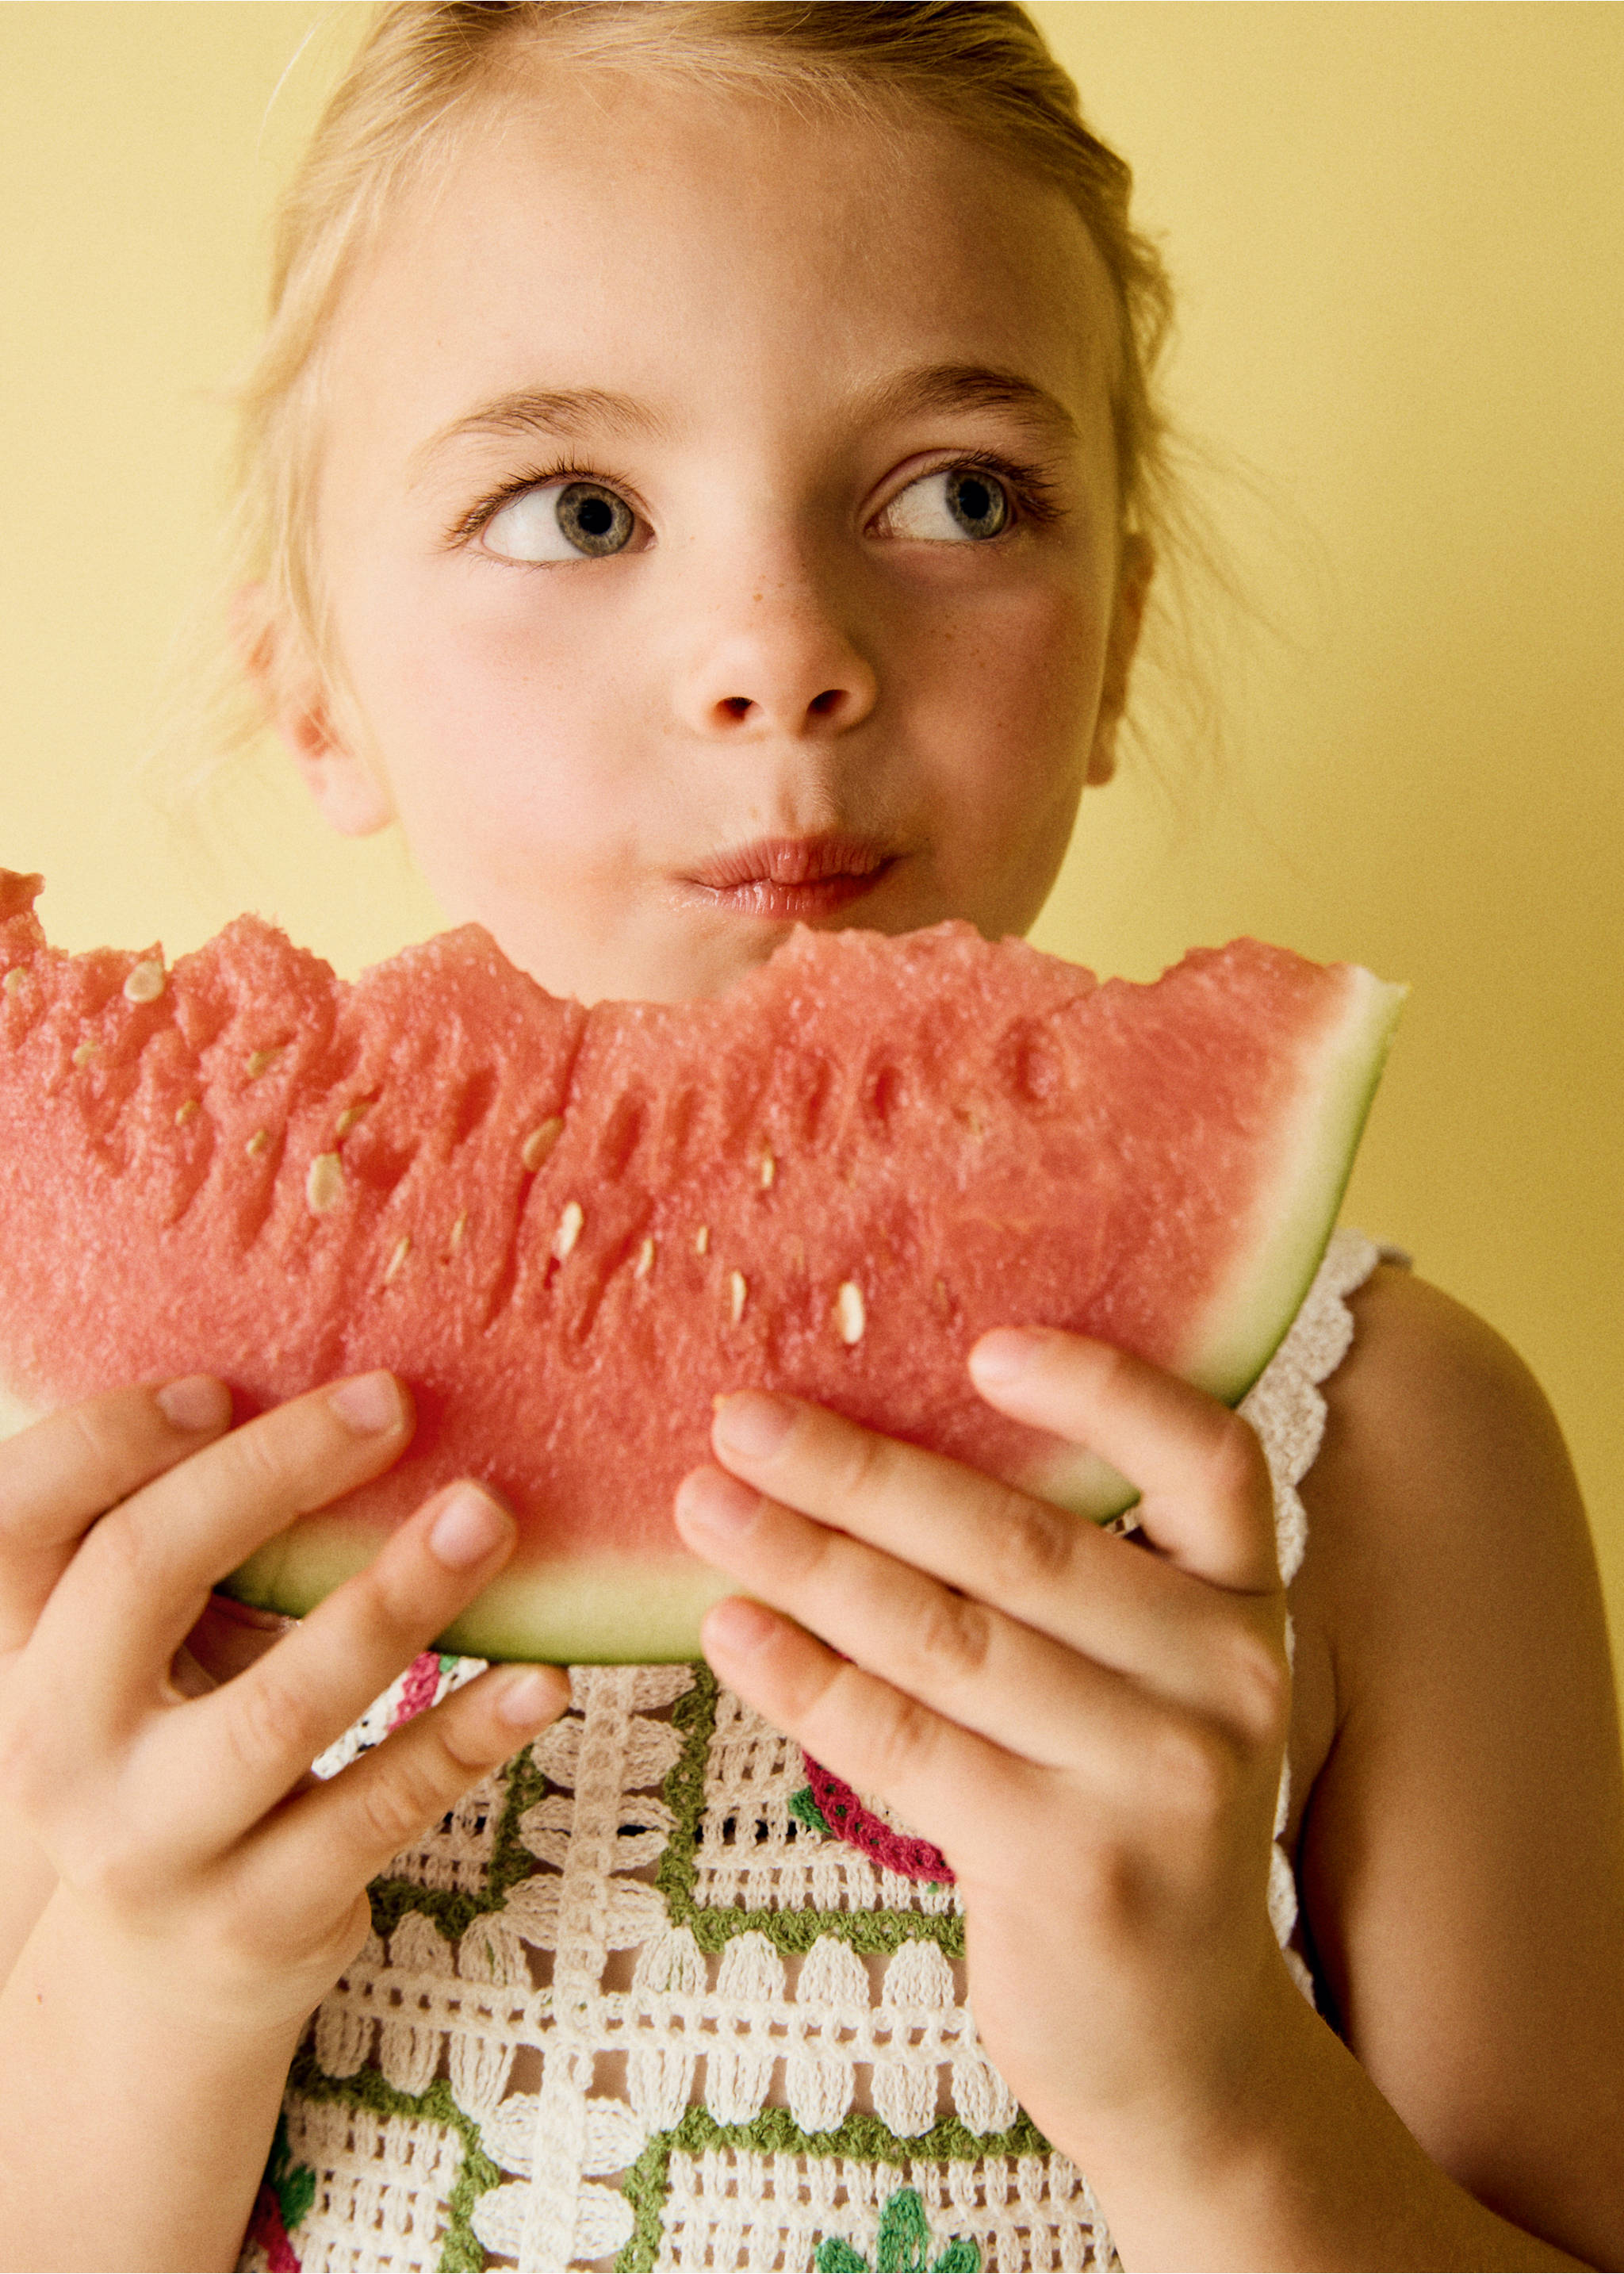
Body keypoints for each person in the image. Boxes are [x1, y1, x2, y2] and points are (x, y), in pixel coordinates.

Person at [2, 6, 1621, 2268]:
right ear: (311, 682)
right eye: (577, 510)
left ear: (1122, 620)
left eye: (962, 492)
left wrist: (1213, 2084)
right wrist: (150, 1980)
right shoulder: (111, 1504)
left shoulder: (1387, 1461)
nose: (779, 648)